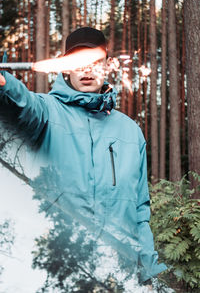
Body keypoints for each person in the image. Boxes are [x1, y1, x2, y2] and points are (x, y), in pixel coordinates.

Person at [0, 27, 166, 290]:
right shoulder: (46, 113)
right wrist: (4, 83)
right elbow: (21, 105)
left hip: (117, 277)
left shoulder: (130, 132)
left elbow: (139, 213)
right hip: (59, 273)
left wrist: (148, 275)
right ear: (66, 68)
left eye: (95, 62)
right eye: (79, 62)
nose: (87, 70)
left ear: (107, 66)